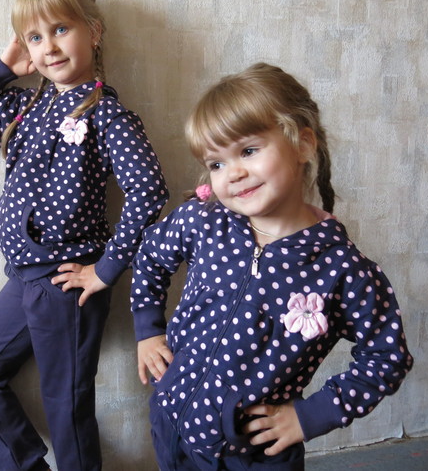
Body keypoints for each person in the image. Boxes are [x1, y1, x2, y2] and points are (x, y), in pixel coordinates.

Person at [131, 63, 413, 470]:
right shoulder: (204, 221)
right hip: (171, 426)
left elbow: (387, 357)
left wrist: (310, 416)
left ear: (302, 144)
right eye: (216, 163)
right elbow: (151, 256)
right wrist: (148, 330)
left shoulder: (343, 270)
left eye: (248, 151)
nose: (233, 173)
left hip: (252, 456)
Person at [0, 0, 168, 471]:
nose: (49, 47)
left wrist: (106, 269)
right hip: (24, 277)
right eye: (35, 37)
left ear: (94, 30)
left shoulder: (107, 115)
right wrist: (4, 67)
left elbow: (149, 191)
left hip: (67, 281)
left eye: (61, 29)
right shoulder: (28, 106)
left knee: (66, 407)